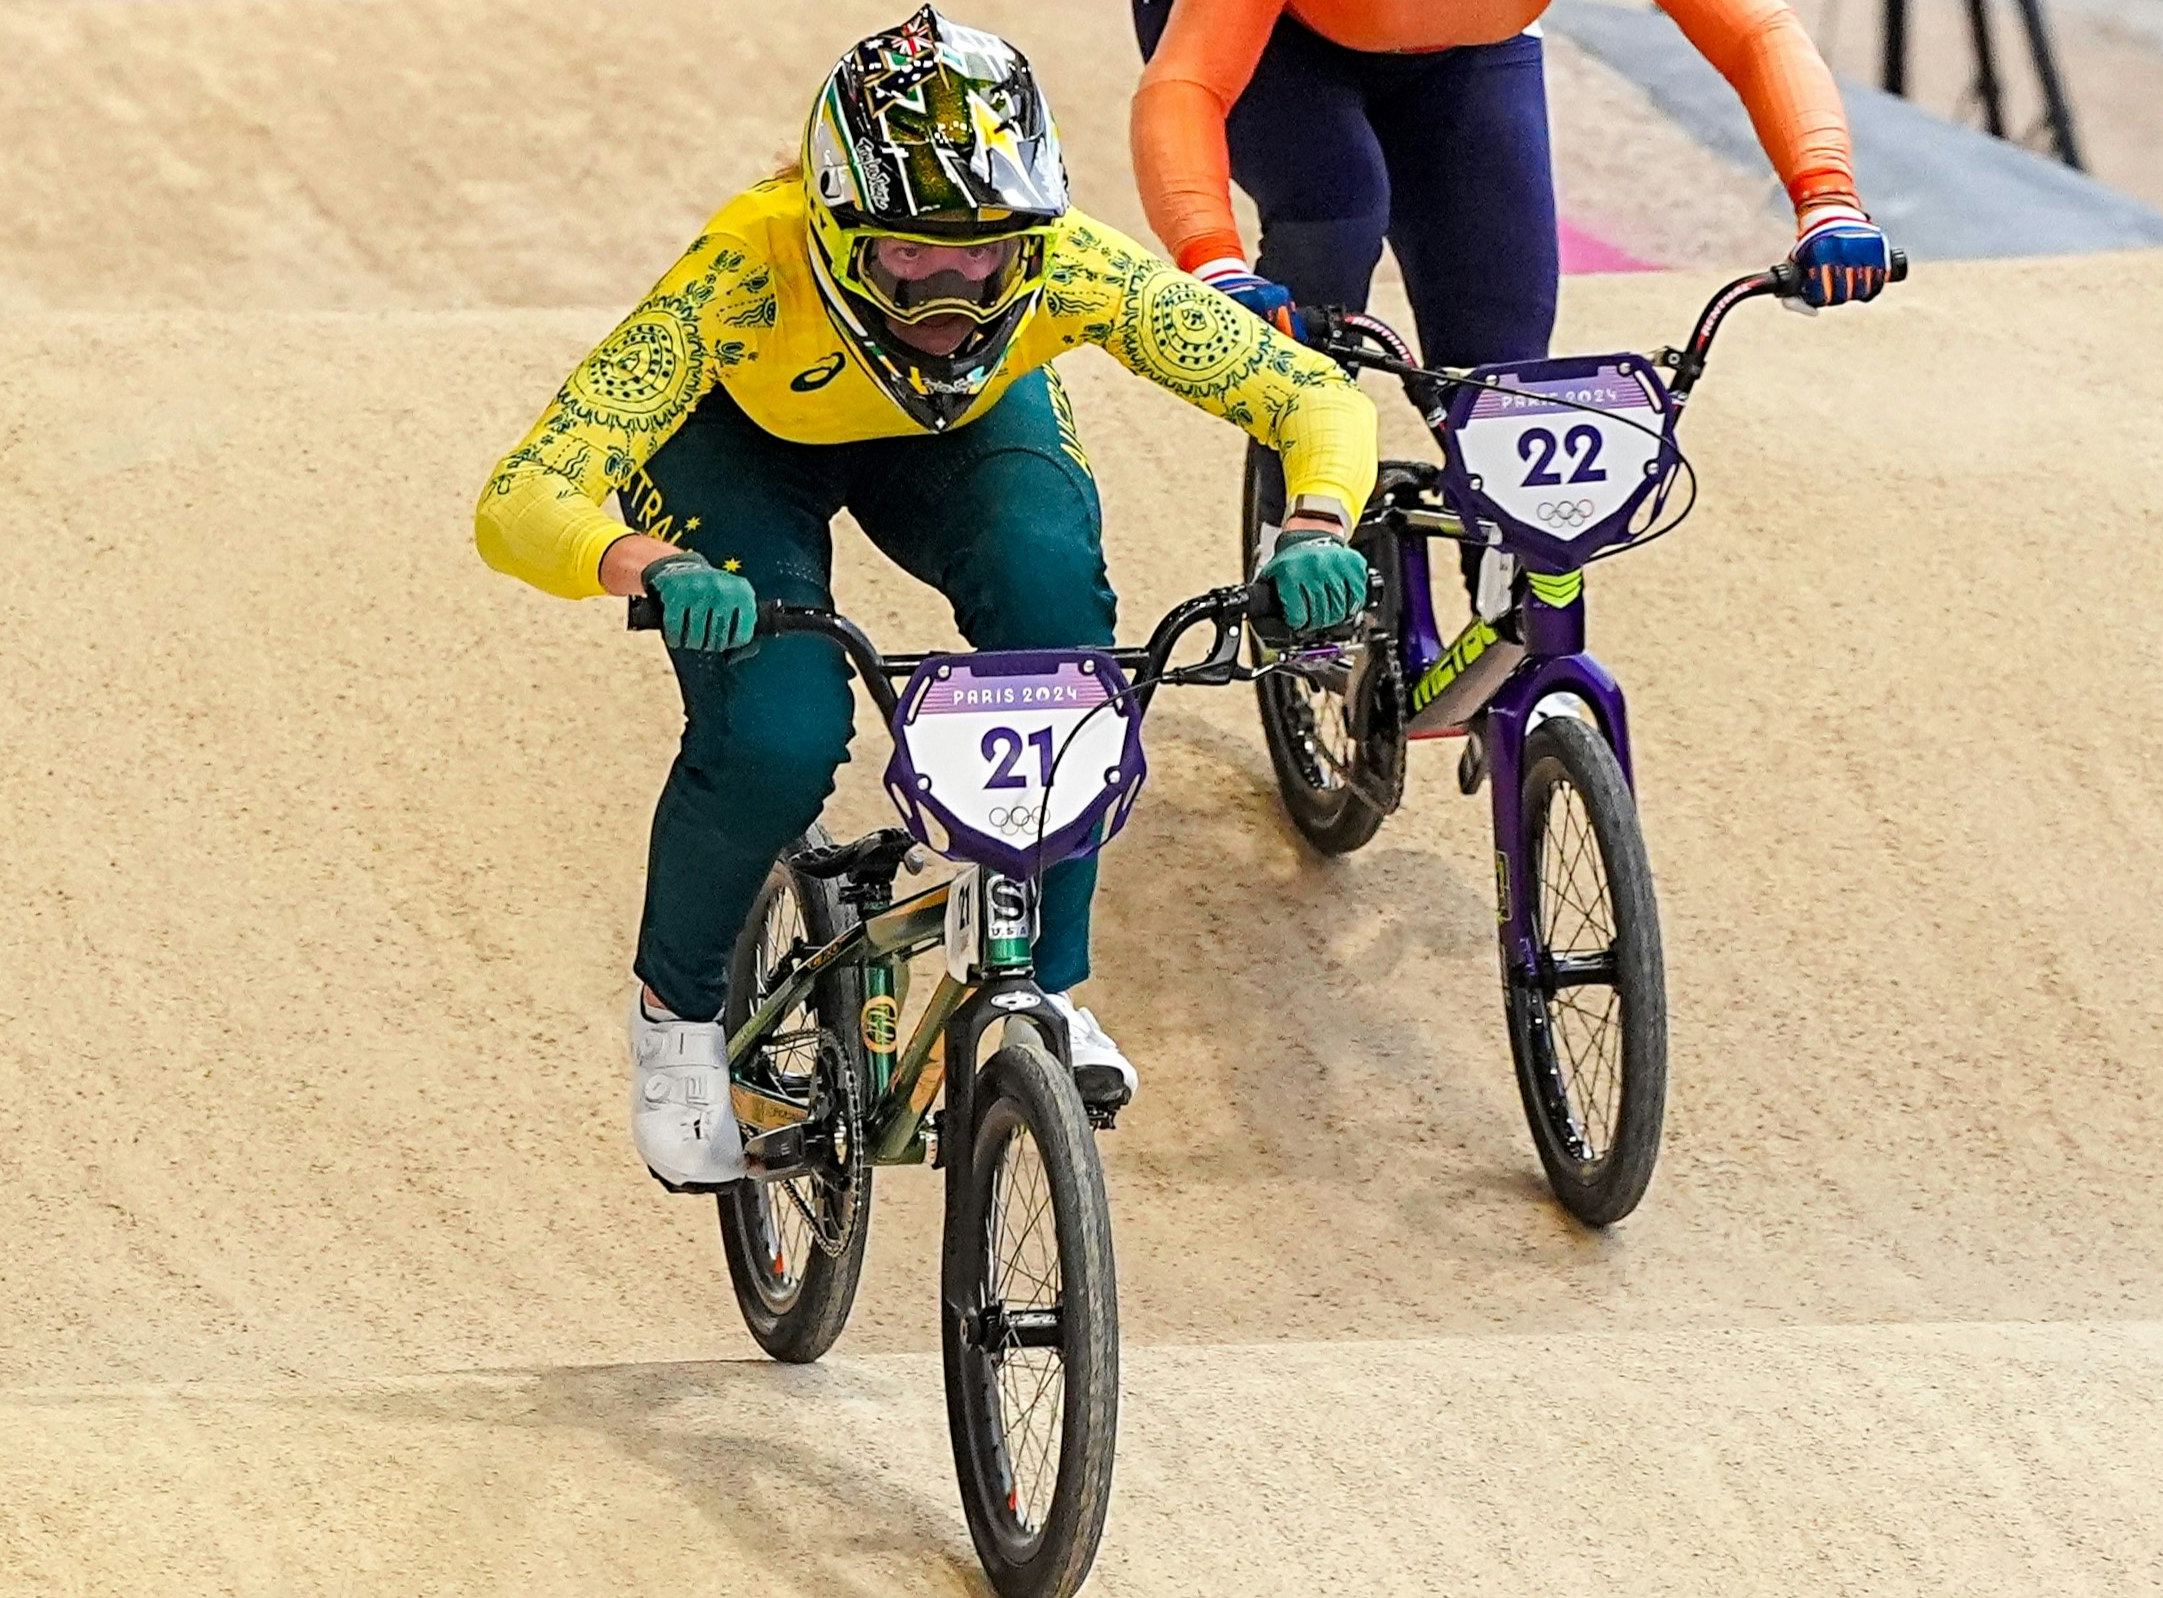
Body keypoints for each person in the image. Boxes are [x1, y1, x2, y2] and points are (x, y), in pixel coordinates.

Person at [475, 7, 1381, 1188]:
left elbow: (1310, 397)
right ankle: (675, 1019)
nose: (952, 284)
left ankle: (1049, 984)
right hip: (741, 449)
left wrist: (1312, 522)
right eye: (910, 253)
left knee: (1062, 629)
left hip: (953, 433)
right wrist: (645, 562)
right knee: (780, 728)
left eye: (983, 253)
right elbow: (523, 493)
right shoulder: (745, 267)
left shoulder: (1072, 260)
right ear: (837, 231)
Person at [1128, 0, 1893, 376]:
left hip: (1467, 48)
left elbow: (1757, 32)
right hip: (1272, 42)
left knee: (1503, 364)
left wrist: (1826, 197)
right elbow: (1185, 83)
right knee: (1338, 209)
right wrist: (1211, 258)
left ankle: (1510, 607)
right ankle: (1305, 520)